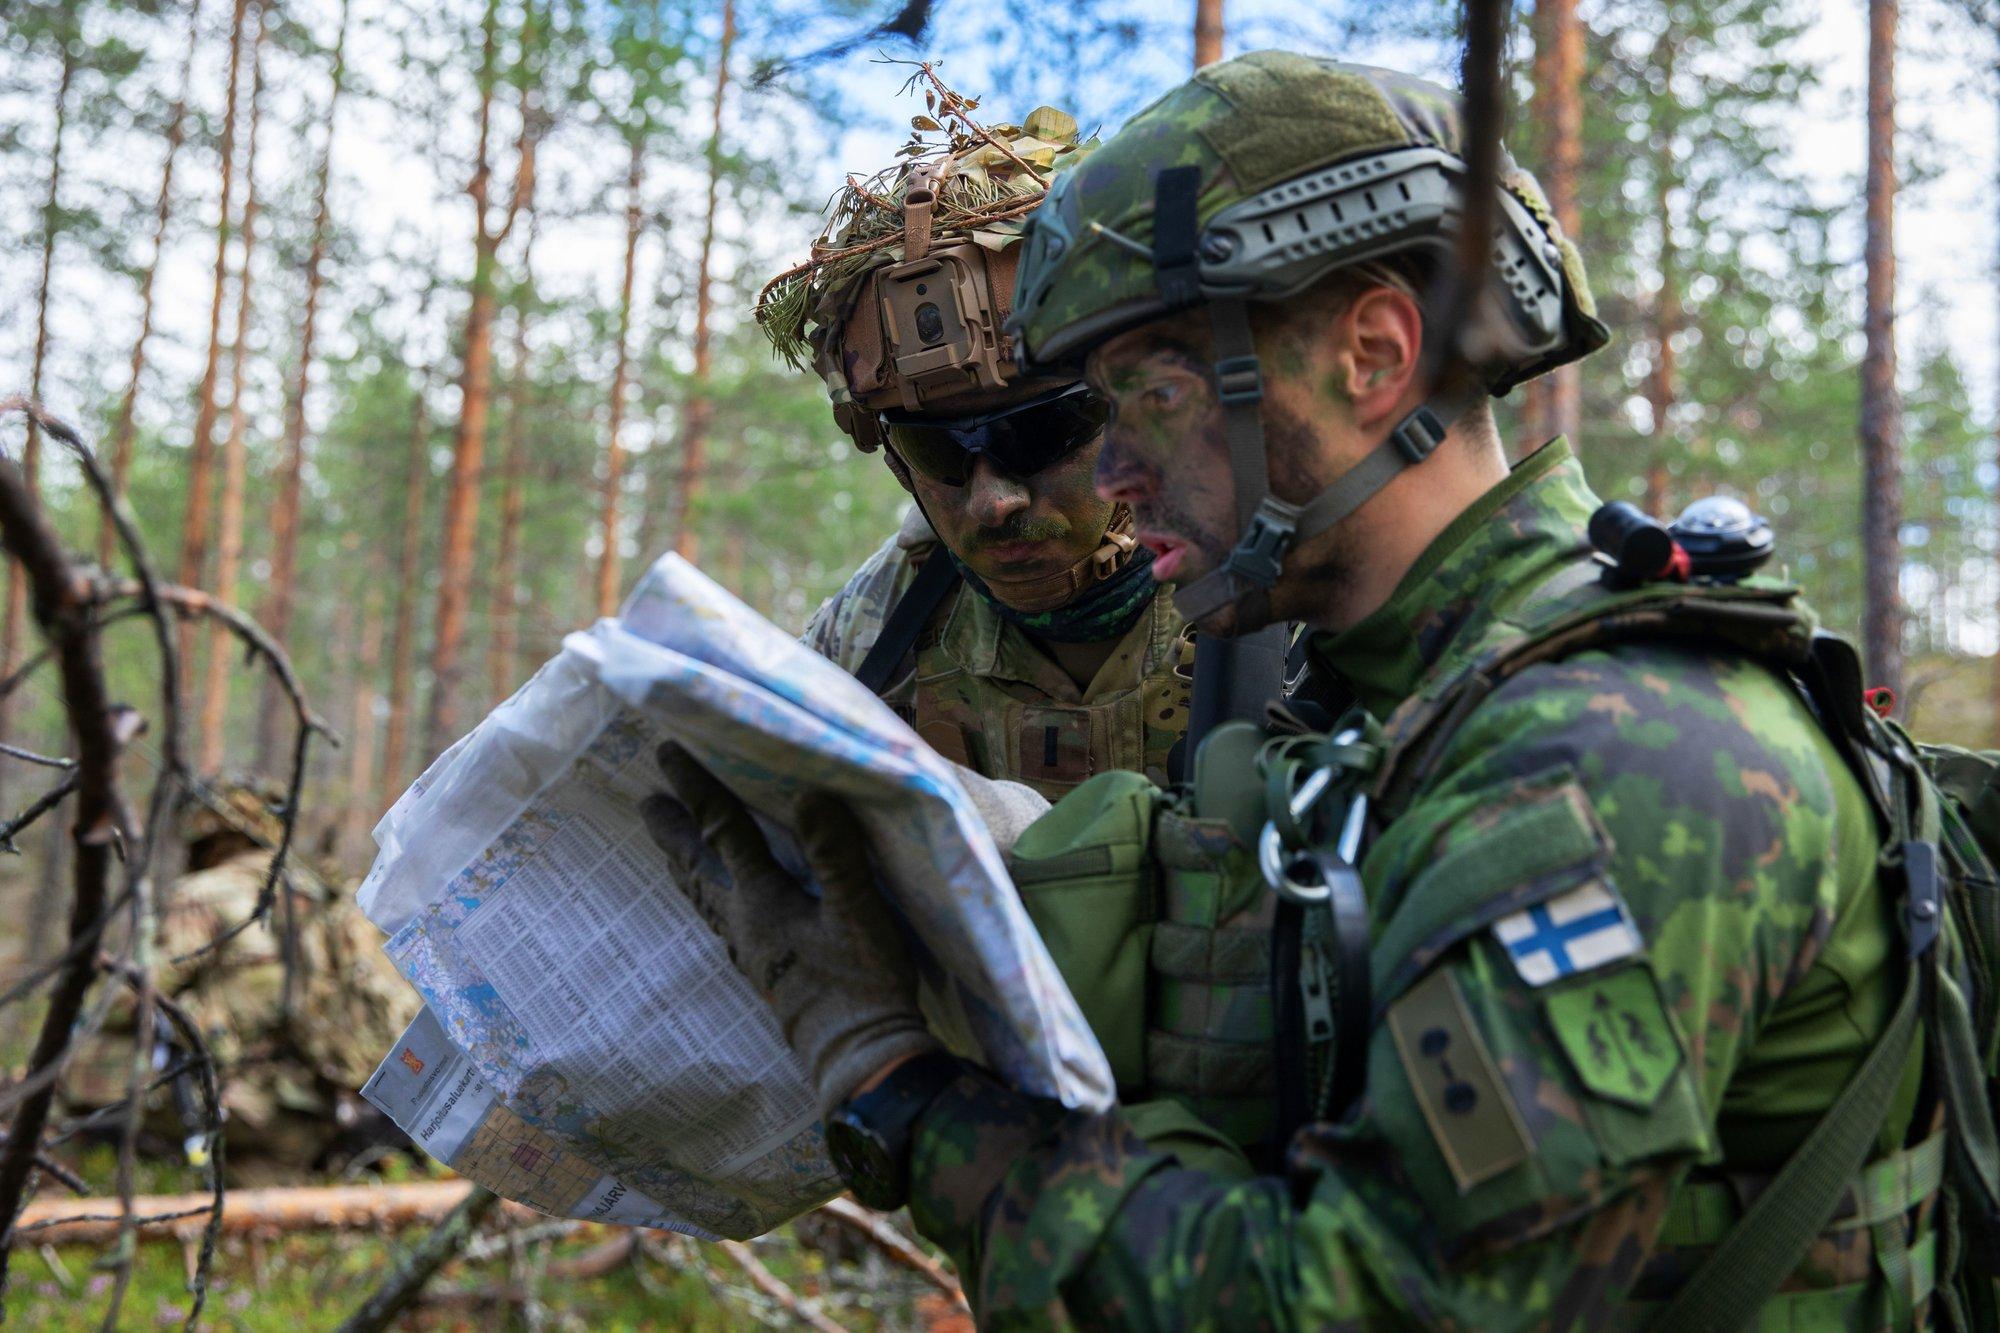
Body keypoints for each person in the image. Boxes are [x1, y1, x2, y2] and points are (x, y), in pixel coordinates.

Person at [656, 52, 2000, 1328]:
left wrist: (899, 1088)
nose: (1110, 479)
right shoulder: (1396, 713)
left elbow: (1355, 1302)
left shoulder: (1598, 759)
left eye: (1152, 399)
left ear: (1374, 354)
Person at [758, 104, 1191, 802]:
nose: (992, 501)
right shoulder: (873, 638)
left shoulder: (1286, 601)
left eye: (1038, 432)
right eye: (938, 450)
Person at [64, 781, 418, 1183]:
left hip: (245, 1104)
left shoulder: (207, 893)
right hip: (324, 1104)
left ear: (205, 833)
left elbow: (125, 999)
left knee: (94, 1043)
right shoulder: (320, 893)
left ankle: (84, 1164)